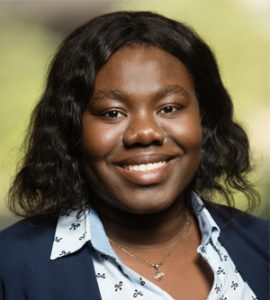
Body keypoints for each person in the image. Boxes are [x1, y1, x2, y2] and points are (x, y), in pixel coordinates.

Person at [0, 11, 269, 300]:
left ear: (203, 119)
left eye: (169, 108)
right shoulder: (10, 266)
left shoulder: (263, 244)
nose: (144, 133)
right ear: (71, 127)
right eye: (112, 113)